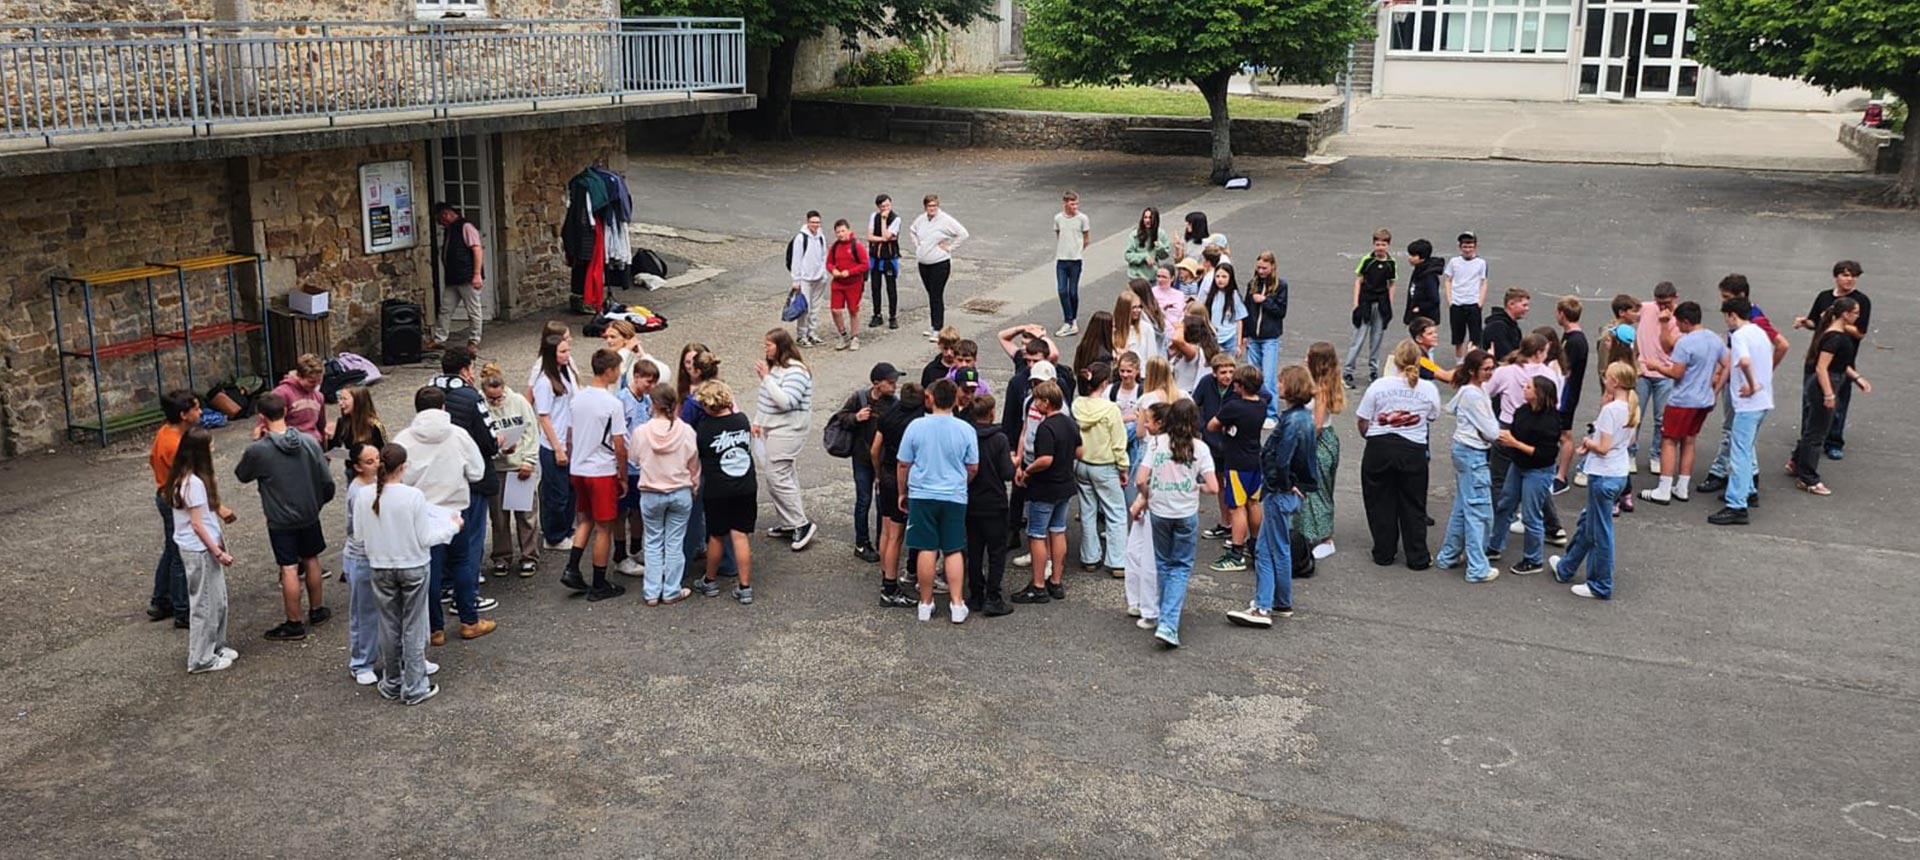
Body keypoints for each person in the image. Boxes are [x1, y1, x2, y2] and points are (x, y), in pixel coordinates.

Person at [354, 443, 461, 705]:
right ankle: (415, 686)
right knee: (413, 626)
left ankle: (392, 682)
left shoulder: (363, 495)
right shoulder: (413, 497)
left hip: (380, 565)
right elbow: (425, 538)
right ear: (403, 467)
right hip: (413, 564)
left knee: (388, 626)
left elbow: (358, 536)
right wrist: (452, 528)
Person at [234, 391, 336, 642]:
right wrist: (317, 503)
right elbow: (326, 480)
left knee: (288, 566)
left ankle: (294, 622)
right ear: (286, 412)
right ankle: (317, 609)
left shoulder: (260, 450)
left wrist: (255, 442)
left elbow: (242, 474)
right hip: (309, 511)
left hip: (281, 517)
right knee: (312, 558)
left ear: (261, 417)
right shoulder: (309, 442)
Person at [394, 386, 493, 641]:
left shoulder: (404, 438)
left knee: (431, 569)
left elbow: (397, 477)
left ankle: (434, 628)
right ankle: (469, 620)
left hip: (421, 512)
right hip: (453, 509)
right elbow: (476, 472)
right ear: (444, 407)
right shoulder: (458, 435)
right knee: (461, 562)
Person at [1230, 365, 1316, 628]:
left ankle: (1263, 606)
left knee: (1267, 549)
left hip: (1279, 491)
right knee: (1278, 546)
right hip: (1290, 490)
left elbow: (1281, 459)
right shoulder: (1305, 418)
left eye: (1281, 381)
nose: (1277, 385)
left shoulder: (1290, 421)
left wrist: (1286, 483)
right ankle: (1281, 601)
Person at [1551, 363, 1637, 600]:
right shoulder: (1631, 407)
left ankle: (1600, 584)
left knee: (1600, 531)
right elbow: (1626, 442)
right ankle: (1566, 566)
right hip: (1618, 473)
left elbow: (1603, 447)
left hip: (1604, 474)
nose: (1604, 380)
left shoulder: (1612, 411)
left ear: (1615, 382)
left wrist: (1589, 444)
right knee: (1589, 522)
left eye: (1607, 377)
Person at [896, 378, 980, 623]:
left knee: (926, 547)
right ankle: (956, 603)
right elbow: (973, 466)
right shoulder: (966, 429)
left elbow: (903, 463)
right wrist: (962, 483)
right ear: (955, 400)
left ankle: (925, 602)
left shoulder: (915, 426)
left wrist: (903, 492)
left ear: (930, 398)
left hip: (922, 493)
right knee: (953, 548)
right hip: (953, 493)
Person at [1701, 274, 1791, 497]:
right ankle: (1742, 480)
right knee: (1737, 433)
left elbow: (1781, 344)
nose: (1722, 302)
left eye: (1726, 298)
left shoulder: (1751, 324)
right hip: (1744, 385)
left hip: (1744, 389)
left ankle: (1729, 477)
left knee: (1736, 433)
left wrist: (1761, 375)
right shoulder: (1749, 323)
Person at [1356, 341, 1442, 569]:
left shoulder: (1379, 386)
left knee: (1379, 500)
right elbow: (1433, 415)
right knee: (1413, 503)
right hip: (1413, 448)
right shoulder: (1428, 389)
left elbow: (1363, 419)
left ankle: (1384, 551)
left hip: (1380, 446)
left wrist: (1372, 436)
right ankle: (1417, 556)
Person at [429, 348, 501, 620]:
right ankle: (467, 596)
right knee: (470, 539)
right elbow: (489, 438)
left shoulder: (430, 392)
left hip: (438, 479)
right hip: (470, 479)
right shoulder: (471, 397)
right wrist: (498, 444)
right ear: (464, 370)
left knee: (443, 536)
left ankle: (447, 587)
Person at [558, 349, 632, 601]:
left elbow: (569, 435)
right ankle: (599, 583)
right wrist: (622, 475)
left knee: (585, 519)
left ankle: (572, 567)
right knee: (604, 527)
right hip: (601, 470)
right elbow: (619, 445)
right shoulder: (613, 404)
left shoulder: (577, 399)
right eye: (618, 369)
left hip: (578, 468)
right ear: (610, 371)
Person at [1640, 302, 1726, 505]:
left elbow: (1676, 373)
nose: (1677, 326)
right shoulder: (1714, 339)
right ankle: (1682, 486)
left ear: (1686, 322)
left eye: (1678, 322)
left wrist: (1657, 366)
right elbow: (1727, 364)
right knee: (1689, 440)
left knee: (1669, 440)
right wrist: (1714, 391)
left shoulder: (1685, 344)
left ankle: (1663, 488)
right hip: (1703, 399)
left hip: (1682, 400)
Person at [168, 427, 237, 674]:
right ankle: (200, 658)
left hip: (203, 546)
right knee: (205, 604)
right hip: (199, 550)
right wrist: (218, 552)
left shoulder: (190, 479)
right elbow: (196, 524)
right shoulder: (193, 483)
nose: (213, 448)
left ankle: (215, 646)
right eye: (210, 445)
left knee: (217, 600)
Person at [1788, 297, 1870, 496]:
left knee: (1813, 428)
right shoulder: (1835, 337)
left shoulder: (1836, 334)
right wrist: (1828, 394)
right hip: (1825, 384)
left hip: (1833, 380)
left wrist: (1856, 378)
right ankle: (1807, 477)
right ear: (1845, 314)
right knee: (1816, 433)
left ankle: (1798, 462)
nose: (1858, 316)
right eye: (1855, 312)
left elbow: (1840, 364)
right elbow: (1822, 367)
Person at [149, 390, 217, 627]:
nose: (200, 412)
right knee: (180, 552)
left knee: (171, 548)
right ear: (183, 414)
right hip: (174, 499)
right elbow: (190, 475)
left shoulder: (166, 432)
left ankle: (161, 600)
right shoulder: (174, 443)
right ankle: (182, 608)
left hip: (166, 495)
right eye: (196, 409)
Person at [1433, 349, 1500, 583]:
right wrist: (1493, 428)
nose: (1491, 372)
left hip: (1464, 451)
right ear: (1473, 371)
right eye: (1486, 369)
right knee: (1479, 511)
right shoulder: (1473, 394)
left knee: (1463, 507)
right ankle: (1477, 567)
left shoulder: (1470, 390)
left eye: (1492, 368)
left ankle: (1449, 555)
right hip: (1473, 454)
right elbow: (1491, 431)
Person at [629, 386, 699, 606]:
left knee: (652, 541)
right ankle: (671, 589)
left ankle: (651, 591)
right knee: (674, 542)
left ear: (654, 404)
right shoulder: (686, 430)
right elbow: (693, 462)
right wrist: (694, 485)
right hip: (679, 491)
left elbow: (634, 458)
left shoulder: (642, 432)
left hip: (651, 492)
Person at [1793, 260, 1871, 460]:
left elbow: (1860, 332)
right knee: (1810, 400)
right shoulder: (1824, 296)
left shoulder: (1860, 301)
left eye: (1854, 275)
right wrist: (1805, 322)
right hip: (1820, 354)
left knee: (1839, 402)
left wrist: (1837, 323)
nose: (1850, 279)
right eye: (1845, 275)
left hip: (1842, 358)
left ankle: (1834, 441)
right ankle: (1808, 440)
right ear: (1836, 276)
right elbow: (1814, 322)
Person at [1708, 296, 1775, 526]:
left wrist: (1751, 383)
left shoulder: (1739, 336)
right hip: (1763, 402)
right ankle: (1748, 490)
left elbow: (1744, 362)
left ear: (1732, 315)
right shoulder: (1760, 333)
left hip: (1748, 404)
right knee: (1746, 448)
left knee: (1739, 453)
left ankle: (1736, 504)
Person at [1012, 380, 1079, 604]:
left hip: (1045, 487)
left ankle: (1038, 584)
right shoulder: (1069, 423)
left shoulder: (1046, 427)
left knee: (1037, 534)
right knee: (1058, 530)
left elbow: (1045, 459)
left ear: (1046, 402)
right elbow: (1079, 451)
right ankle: (1056, 581)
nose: (1035, 404)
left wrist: (1027, 471)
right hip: (1065, 485)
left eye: (1038, 400)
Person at [1488, 376, 1562, 577]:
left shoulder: (1551, 421)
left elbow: (1545, 454)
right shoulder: (1522, 411)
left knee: (1531, 515)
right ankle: (1494, 545)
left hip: (1538, 471)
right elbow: (1515, 434)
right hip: (1519, 465)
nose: (1524, 387)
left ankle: (1533, 559)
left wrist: (1514, 443)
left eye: (1529, 386)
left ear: (1539, 393)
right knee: (1505, 504)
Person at [693, 381, 757, 604]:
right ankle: (745, 586)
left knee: (716, 536)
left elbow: (699, 455)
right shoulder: (742, 420)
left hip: (718, 488)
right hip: (745, 484)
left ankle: (709, 581)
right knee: (740, 535)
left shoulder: (704, 429)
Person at [754, 328, 816, 551]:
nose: (765, 349)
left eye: (769, 345)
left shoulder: (796, 372)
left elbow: (786, 401)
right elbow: (766, 399)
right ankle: (789, 522)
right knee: (782, 476)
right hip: (773, 429)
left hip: (789, 430)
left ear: (780, 346)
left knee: (777, 476)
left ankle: (800, 523)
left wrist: (767, 379)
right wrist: (758, 421)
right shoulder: (777, 369)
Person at [834, 362, 900, 563]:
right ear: (876, 384)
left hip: (883, 460)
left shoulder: (894, 403)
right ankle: (862, 543)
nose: (895, 386)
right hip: (862, 458)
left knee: (883, 504)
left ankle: (883, 541)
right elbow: (840, 417)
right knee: (863, 500)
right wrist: (856, 417)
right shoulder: (860, 398)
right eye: (890, 382)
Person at [1207, 362, 1270, 573]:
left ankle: (1236, 552)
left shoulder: (1234, 408)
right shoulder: (1261, 405)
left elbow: (1211, 425)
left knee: (1236, 507)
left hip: (1236, 463)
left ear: (1241, 386)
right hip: (1255, 460)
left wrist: (1227, 426)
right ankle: (1255, 545)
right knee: (1253, 503)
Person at [1071, 361, 1129, 576]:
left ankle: (1090, 557)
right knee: (1116, 512)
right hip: (1104, 465)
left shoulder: (1077, 404)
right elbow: (1118, 441)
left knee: (1087, 511)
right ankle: (1117, 561)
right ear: (1105, 383)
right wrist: (1123, 467)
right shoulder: (1110, 409)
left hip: (1082, 464)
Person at [873, 382, 925, 606]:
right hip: (902, 477)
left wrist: (877, 473)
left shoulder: (888, 415)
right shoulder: (918, 421)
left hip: (886, 473)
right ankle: (890, 586)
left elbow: (875, 449)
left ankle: (886, 572)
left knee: (886, 531)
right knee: (897, 535)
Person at [965, 393, 1017, 617]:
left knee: (974, 549)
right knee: (996, 552)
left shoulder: (966, 436)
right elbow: (1007, 473)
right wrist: (1014, 463)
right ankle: (993, 596)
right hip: (994, 502)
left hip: (971, 500)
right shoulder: (999, 439)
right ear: (992, 413)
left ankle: (976, 593)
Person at [339, 441, 382, 684]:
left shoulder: (379, 483)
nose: (377, 463)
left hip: (379, 552)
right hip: (362, 555)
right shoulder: (358, 492)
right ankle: (361, 663)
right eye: (370, 461)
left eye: (377, 458)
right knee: (364, 611)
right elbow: (357, 529)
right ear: (357, 467)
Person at [1298, 343, 1344, 560]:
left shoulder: (1322, 389)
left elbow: (1316, 425)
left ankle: (1326, 538)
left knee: (1319, 491)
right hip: (1324, 438)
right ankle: (1308, 532)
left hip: (1318, 442)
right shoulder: (1318, 383)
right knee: (1310, 491)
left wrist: (1302, 446)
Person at [532, 333, 577, 551]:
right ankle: (554, 535)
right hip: (553, 445)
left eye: (567, 350)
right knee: (556, 494)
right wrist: (558, 448)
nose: (568, 355)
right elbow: (544, 417)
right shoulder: (544, 382)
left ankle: (566, 529)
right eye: (563, 352)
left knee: (569, 491)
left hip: (568, 441)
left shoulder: (564, 375)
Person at [1634, 282, 1681, 473]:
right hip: (1643, 372)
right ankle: (1629, 452)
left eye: (1667, 303)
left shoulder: (1680, 318)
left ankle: (1656, 454)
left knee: (1661, 419)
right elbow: (1626, 313)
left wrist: (1664, 323)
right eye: (1659, 303)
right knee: (1635, 416)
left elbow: (1671, 346)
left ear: (1675, 298)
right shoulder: (1646, 309)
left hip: (1665, 373)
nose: (1662, 307)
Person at [427, 201, 486, 351]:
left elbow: (477, 250)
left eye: (440, 219)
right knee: (446, 309)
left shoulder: (466, 227)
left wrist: (477, 274)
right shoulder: (450, 229)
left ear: (446, 215)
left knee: (473, 310)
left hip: (467, 276)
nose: (440, 223)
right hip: (453, 277)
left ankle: (474, 340)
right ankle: (440, 339)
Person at [910, 194, 969, 341]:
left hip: (939, 264)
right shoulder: (921, 219)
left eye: (934, 206)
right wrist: (918, 246)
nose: (932, 209)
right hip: (924, 263)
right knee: (931, 295)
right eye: (929, 206)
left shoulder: (945, 220)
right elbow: (912, 230)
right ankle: (933, 324)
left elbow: (963, 234)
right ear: (925, 207)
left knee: (936, 296)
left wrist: (949, 248)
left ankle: (938, 328)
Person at [1240, 251, 1287, 424]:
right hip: (1253, 336)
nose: (1261, 271)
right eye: (1258, 267)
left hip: (1269, 337)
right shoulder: (1252, 284)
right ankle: (1254, 409)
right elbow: (1245, 310)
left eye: (1264, 268)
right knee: (1253, 376)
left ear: (1272, 267)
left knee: (1268, 377)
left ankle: (1271, 413)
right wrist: (1244, 334)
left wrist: (1265, 301)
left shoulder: (1281, 286)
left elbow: (1281, 311)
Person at [1346, 228, 1396, 388]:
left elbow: (1392, 283)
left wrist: (1390, 302)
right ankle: (1348, 370)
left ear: (1388, 245)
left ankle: (1373, 370)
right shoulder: (1367, 260)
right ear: (1373, 244)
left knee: (1376, 338)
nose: (1380, 247)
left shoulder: (1391, 263)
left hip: (1381, 303)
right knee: (1358, 338)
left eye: (1383, 244)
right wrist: (1356, 303)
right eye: (1377, 244)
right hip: (1366, 301)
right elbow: (1358, 280)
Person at [1552, 296, 1589, 495]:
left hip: (1566, 395)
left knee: (1565, 434)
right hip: (1564, 393)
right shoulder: (1569, 336)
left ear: (1562, 314)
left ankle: (1561, 475)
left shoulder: (1575, 341)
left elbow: (1566, 370)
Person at [254, 353, 328, 446]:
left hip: (313, 445)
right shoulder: (281, 394)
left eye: (319, 381)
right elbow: (265, 424)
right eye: (311, 381)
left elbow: (321, 427)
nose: (316, 385)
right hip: (290, 445)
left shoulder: (319, 397)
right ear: (299, 376)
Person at [326, 385, 387, 487]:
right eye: (340, 399)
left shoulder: (375, 425)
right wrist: (327, 438)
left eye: (344, 399)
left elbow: (384, 451)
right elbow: (333, 448)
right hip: (352, 472)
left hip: (372, 474)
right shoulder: (342, 422)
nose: (340, 403)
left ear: (358, 401)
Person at [785, 210, 830, 347]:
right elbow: (796, 260)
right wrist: (796, 280)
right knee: (805, 308)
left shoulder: (821, 237)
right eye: (813, 222)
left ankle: (812, 332)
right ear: (807, 222)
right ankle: (801, 335)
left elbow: (823, 256)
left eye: (817, 222)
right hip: (805, 278)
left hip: (818, 277)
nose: (815, 225)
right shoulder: (801, 238)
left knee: (815, 307)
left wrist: (823, 273)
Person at [826, 217, 871, 351]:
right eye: (838, 232)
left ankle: (855, 336)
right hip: (838, 282)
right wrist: (833, 270)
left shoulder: (856, 246)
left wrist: (850, 272)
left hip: (854, 283)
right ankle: (843, 334)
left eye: (842, 231)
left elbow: (865, 264)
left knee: (853, 310)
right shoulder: (834, 247)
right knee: (835, 310)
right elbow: (828, 262)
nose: (840, 234)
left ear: (849, 230)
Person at [1443, 232, 1488, 358]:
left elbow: (1483, 282)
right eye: (1465, 247)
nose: (1468, 250)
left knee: (1475, 337)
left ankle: (1472, 361)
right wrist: (1450, 300)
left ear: (1475, 247)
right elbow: (1448, 280)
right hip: (1457, 303)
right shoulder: (1454, 262)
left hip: (1473, 303)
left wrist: (1480, 302)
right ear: (1460, 247)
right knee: (1458, 338)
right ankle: (1459, 362)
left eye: (1470, 247)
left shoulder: (1481, 263)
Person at [1053, 190, 1091, 336]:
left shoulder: (1082, 218)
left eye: (1076, 203)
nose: (1075, 206)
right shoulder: (1058, 218)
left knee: (1073, 291)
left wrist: (1078, 250)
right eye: (1072, 203)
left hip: (1075, 261)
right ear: (1065, 203)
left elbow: (1086, 238)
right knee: (1062, 290)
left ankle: (1072, 320)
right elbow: (1059, 234)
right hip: (1061, 260)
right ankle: (1068, 320)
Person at [867, 194, 903, 331]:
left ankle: (892, 316)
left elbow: (888, 235)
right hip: (875, 257)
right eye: (883, 207)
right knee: (875, 287)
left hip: (889, 258)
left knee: (891, 287)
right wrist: (883, 238)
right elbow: (870, 236)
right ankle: (877, 314)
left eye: (888, 205)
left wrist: (883, 221)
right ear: (878, 207)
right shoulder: (873, 217)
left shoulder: (896, 219)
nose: (886, 209)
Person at [1204, 262, 1248, 355]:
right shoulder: (1211, 295)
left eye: (1224, 277)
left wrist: (1238, 345)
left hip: (1230, 338)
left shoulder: (1234, 295)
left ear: (1230, 278)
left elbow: (1239, 319)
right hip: (1214, 337)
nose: (1220, 280)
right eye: (1218, 276)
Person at [1404, 238, 1443, 334]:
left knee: (1425, 345)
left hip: (1426, 319)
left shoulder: (1429, 276)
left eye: (1413, 255)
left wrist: (1419, 308)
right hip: (1416, 317)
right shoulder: (1417, 270)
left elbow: (1435, 299)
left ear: (1422, 257)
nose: (1409, 257)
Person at [1480, 288, 1530, 360]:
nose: (1527, 309)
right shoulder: (1497, 328)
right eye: (1524, 305)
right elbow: (1504, 355)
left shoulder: (1512, 326)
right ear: (1511, 304)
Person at [1124, 207, 1172, 282]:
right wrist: (1144, 257)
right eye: (1145, 217)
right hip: (1136, 277)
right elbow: (1128, 255)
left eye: (1150, 218)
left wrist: (1159, 247)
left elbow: (1164, 255)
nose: (1147, 220)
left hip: (1152, 276)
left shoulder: (1161, 234)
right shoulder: (1134, 235)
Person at [1112, 290, 1160, 365]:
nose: (1138, 310)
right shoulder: (1113, 329)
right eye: (1134, 307)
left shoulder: (1146, 328)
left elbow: (1152, 357)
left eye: (1140, 307)